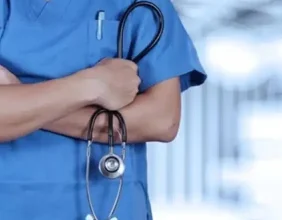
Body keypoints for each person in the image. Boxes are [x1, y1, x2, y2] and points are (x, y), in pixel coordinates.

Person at [0, 0, 206, 219]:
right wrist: (92, 85)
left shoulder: (141, 4)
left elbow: (162, 120)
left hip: (106, 205)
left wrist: (20, 101)